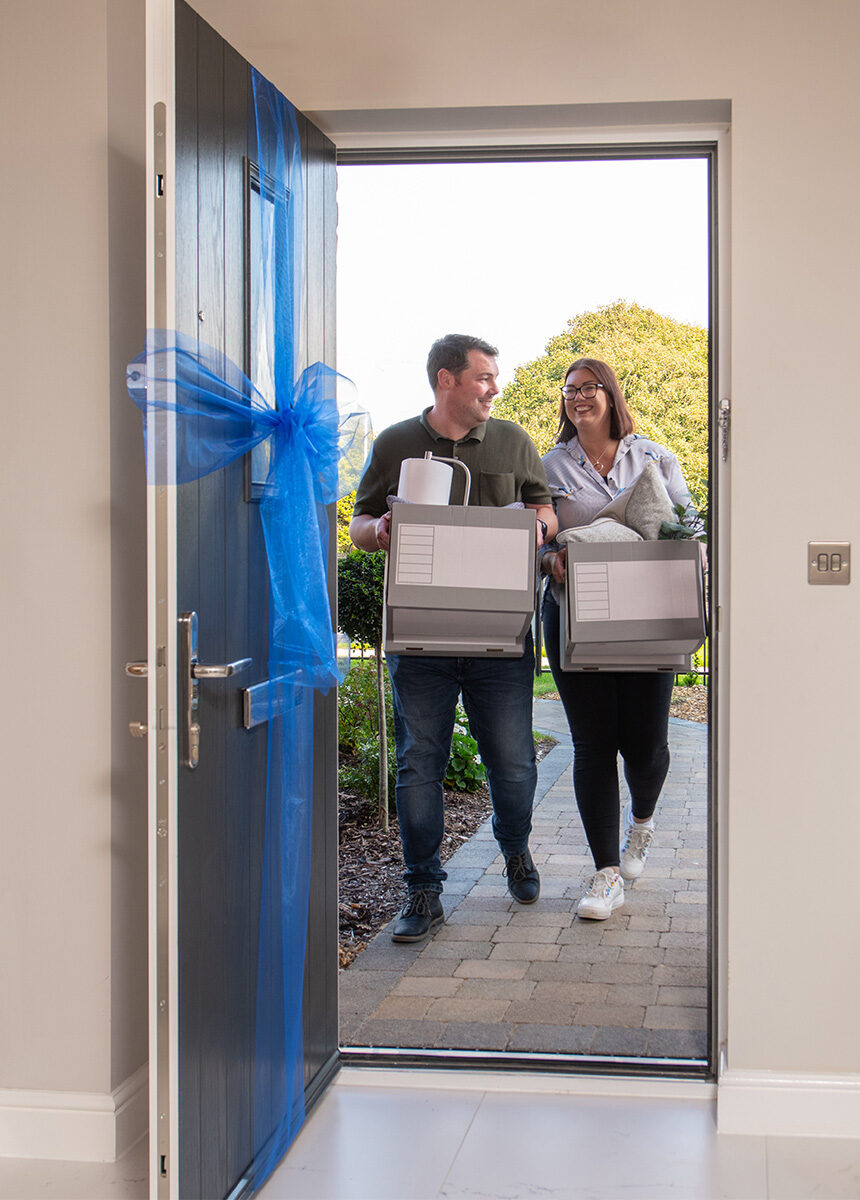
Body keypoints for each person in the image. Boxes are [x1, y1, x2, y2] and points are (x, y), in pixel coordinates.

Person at [350, 334, 557, 942]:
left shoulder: (515, 441)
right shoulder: (396, 443)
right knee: (420, 764)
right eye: (484, 378)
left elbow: (547, 513)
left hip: (500, 636)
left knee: (514, 764)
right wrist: (381, 529)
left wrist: (536, 526)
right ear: (446, 379)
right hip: (421, 638)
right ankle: (422, 891)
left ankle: (515, 850)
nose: (495, 389)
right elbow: (359, 523)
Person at [540, 357, 692, 920]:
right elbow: (536, 535)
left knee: (647, 744)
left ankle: (643, 824)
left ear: (611, 394)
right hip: (576, 619)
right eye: (569, 389)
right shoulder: (549, 464)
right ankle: (605, 873)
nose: (578, 397)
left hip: (647, 616)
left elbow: (685, 527)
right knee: (594, 744)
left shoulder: (653, 456)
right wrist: (548, 559)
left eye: (589, 388)